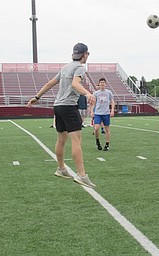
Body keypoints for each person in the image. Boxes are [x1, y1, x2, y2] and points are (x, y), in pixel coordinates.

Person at [27, 42, 96, 188]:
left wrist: (37, 97)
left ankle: (61, 169)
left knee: (61, 140)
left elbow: (49, 83)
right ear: (84, 54)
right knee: (76, 141)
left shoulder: (65, 68)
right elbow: (75, 84)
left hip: (58, 106)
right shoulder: (79, 68)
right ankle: (82, 175)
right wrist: (87, 93)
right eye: (87, 53)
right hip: (69, 107)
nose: (88, 56)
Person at [91, 77, 115, 151]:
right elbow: (93, 103)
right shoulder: (96, 93)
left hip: (106, 113)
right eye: (101, 82)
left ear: (105, 84)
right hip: (98, 113)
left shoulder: (108, 92)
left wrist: (112, 110)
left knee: (107, 129)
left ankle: (107, 144)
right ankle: (97, 142)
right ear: (99, 84)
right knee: (96, 128)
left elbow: (112, 101)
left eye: (103, 82)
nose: (102, 84)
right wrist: (92, 111)